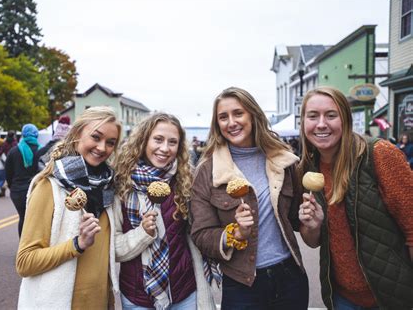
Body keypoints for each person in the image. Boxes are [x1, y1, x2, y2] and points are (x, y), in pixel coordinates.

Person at [190, 87, 308, 309]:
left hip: (290, 276)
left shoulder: (281, 159)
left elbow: (295, 219)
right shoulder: (207, 170)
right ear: (217, 124)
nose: (231, 122)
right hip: (243, 285)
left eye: (238, 113)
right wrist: (235, 233)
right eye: (223, 117)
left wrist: (310, 217)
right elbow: (200, 234)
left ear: (252, 115)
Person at [297, 86, 413, 309]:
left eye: (331, 115)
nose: (321, 124)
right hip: (341, 298)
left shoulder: (379, 154)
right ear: (303, 122)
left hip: (391, 298)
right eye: (313, 116)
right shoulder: (307, 168)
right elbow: (312, 242)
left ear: (345, 120)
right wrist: (313, 225)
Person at [16, 107, 121, 309]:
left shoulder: (108, 189)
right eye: (96, 137)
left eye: (110, 142)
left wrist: (145, 232)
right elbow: (25, 262)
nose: (102, 147)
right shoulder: (49, 186)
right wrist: (77, 244)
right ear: (76, 135)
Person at [113, 112, 216, 309]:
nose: (165, 148)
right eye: (158, 139)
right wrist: (143, 233)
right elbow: (114, 250)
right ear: (144, 141)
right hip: (137, 297)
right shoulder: (121, 184)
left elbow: (199, 233)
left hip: (184, 292)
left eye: (172, 142)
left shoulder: (185, 181)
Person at [5, 124, 40, 237]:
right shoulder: (41, 150)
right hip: (37, 190)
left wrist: (12, 186)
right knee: (37, 220)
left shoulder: (14, 151)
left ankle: (23, 247)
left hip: (17, 191)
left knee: (23, 218)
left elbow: (8, 173)